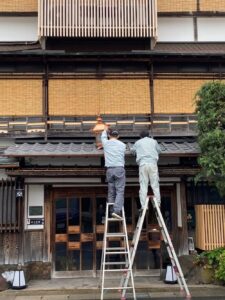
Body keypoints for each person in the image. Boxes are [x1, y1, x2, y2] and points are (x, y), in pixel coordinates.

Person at [131, 130, 161, 210]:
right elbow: (159, 151)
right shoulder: (154, 141)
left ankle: (144, 206)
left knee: (143, 185)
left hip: (143, 164)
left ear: (140, 136)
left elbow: (132, 151)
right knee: (155, 185)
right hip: (153, 164)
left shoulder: (138, 142)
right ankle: (157, 203)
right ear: (148, 135)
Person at [101, 128, 126, 220]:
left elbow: (103, 136)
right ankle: (116, 211)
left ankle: (111, 211)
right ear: (118, 136)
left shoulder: (106, 143)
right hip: (119, 168)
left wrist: (105, 129)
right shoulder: (123, 145)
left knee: (111, 190)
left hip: (109, 169)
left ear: (109, 135)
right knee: (119, 190)